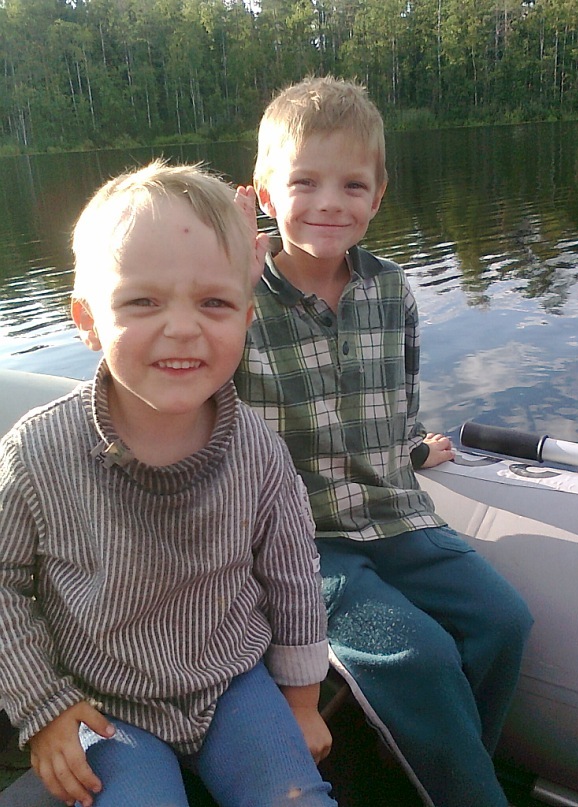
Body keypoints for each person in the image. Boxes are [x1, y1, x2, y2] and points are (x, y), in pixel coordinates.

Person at [234, 76, 534, 807]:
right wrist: (224, 276)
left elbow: (398, 399)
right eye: (304, 182)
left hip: (396, 513)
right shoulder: (237, 301)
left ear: (377, 196)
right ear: (266, 194)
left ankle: (447, 771)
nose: (330, 202)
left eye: (352, 184)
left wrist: (413, 450)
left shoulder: (391, 288)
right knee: (416, 652)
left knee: (504, 620)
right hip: (302, 538)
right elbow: (199, 405)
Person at [0, 161, 337, 807]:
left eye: (213, 302)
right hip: (105, 700)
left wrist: (301, 701)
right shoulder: (38, 452)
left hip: (232, 682)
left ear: (245, 316)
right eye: (142, 301)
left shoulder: (259, 450)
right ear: (88, 319)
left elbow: (293, 574)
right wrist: (42, 707)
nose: (182, 327)